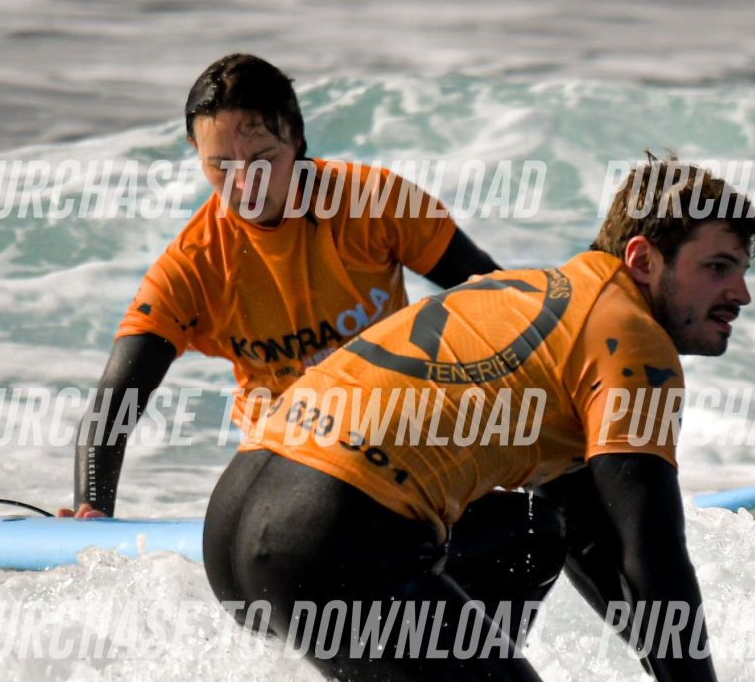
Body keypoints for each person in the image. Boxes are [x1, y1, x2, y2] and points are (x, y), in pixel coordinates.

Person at [203, 158, 755, 682]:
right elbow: (653, 557)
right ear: (643, 259)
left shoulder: (540, 299)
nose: (740, 293)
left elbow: (586, 532)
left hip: (238, 528)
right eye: (718, 268)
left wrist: (663, 665)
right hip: (329, 543)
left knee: (531, 533)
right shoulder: (632, 341)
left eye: (742, 271)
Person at [65, 52, 501, 518]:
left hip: (392, 435)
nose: (244, 184)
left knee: (527, 523)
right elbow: (113, 407)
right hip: (283, 458)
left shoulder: (372, 202)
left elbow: (498, 301)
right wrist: (92, 509)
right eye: (221, 165)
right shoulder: (193, 266)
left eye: (262, 159)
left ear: (296, 138)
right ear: (196, 152)